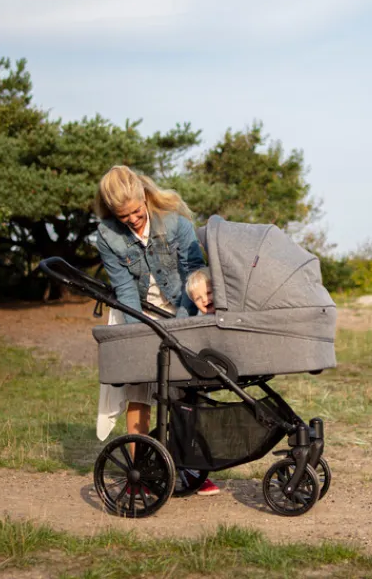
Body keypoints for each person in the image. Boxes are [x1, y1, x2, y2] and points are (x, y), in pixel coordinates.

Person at [92, 165, 220, 496]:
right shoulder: (107, 236)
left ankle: (191, 470)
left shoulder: (175, 220)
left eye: (136, 211)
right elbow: (124, 290)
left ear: (144, 197)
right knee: (140, 390)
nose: (133, 220)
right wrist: (140, 337)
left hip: (181, 306)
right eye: (124, 217)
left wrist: (180, 321)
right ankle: (140, 472)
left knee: (182, 390)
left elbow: (195, 270)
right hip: (137, 313)